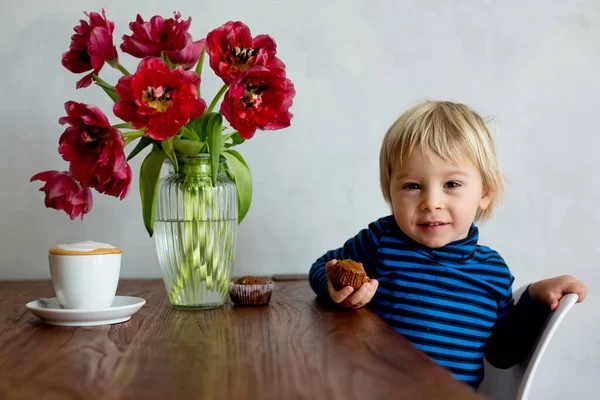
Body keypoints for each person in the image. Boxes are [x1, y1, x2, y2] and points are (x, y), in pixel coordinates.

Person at [308, 100, 587, 389]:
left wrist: (532, 298)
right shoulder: (382, 240)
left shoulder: (492, 272)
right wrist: (334, 288)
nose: (431, 202)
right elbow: (321, 268)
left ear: (484, 193)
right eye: (412, 186)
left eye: (452, 184)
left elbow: (502, 355)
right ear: (390, 191)